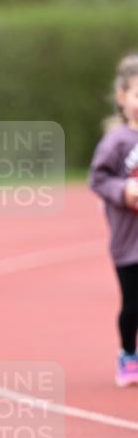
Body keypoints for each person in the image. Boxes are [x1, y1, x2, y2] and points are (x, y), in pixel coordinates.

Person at [89, 52, 138, 387]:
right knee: (133, 304)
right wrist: (124, 191)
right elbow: (98, 178)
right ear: (123, 98)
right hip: (129, 242)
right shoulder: (117, 142)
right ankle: (129, 355)